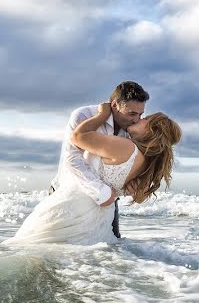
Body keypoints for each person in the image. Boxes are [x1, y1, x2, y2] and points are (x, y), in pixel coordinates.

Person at [8, 102, 181, 245]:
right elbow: (129, 188)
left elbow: (78, 137)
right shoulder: (146, 161)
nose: (140, 119)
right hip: (100, 217)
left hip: (76, 207)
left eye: (146, 119)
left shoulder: (126, 147)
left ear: (152, 130)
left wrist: (101, 115)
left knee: (32, 250)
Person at [50, 81, 150, 238]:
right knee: (59, 251)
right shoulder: (84, 115)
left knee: (111, 250)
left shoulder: (133, 130)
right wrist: (100, 192)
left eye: (140, 114)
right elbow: (72, 158)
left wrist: (136, 187)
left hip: (108, 202)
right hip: (70, 194)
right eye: (132, 113)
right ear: (115, 105)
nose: (136, 119)